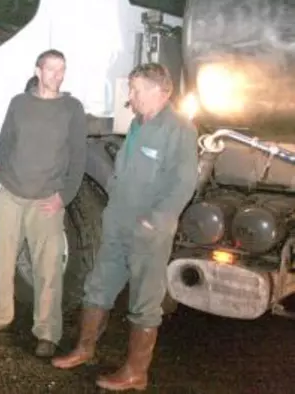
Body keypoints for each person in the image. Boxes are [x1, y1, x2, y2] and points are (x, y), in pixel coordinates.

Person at [51, 63, 198, 391]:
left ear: (161, 92)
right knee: (98, 285)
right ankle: (85, 349)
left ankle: (136, 372)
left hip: (149, 231)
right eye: (130, 89)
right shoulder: (137, 123)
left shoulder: (180, 129)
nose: (130, 98)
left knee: (145, 300)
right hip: (118, 222)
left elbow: (184, 183)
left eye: (136, 90)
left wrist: (156, 220)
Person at [0, 49, 87, 358]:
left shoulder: (72, 109)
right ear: (38, 71)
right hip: (11, 195)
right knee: (3, 261)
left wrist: (64, 196)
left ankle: (47, 332)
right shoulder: (19, 103)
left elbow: (78, 158)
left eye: (62, 70)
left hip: (46, 201)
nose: (57, 76)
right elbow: (4, 144)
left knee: (48, 269)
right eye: (51, 70)